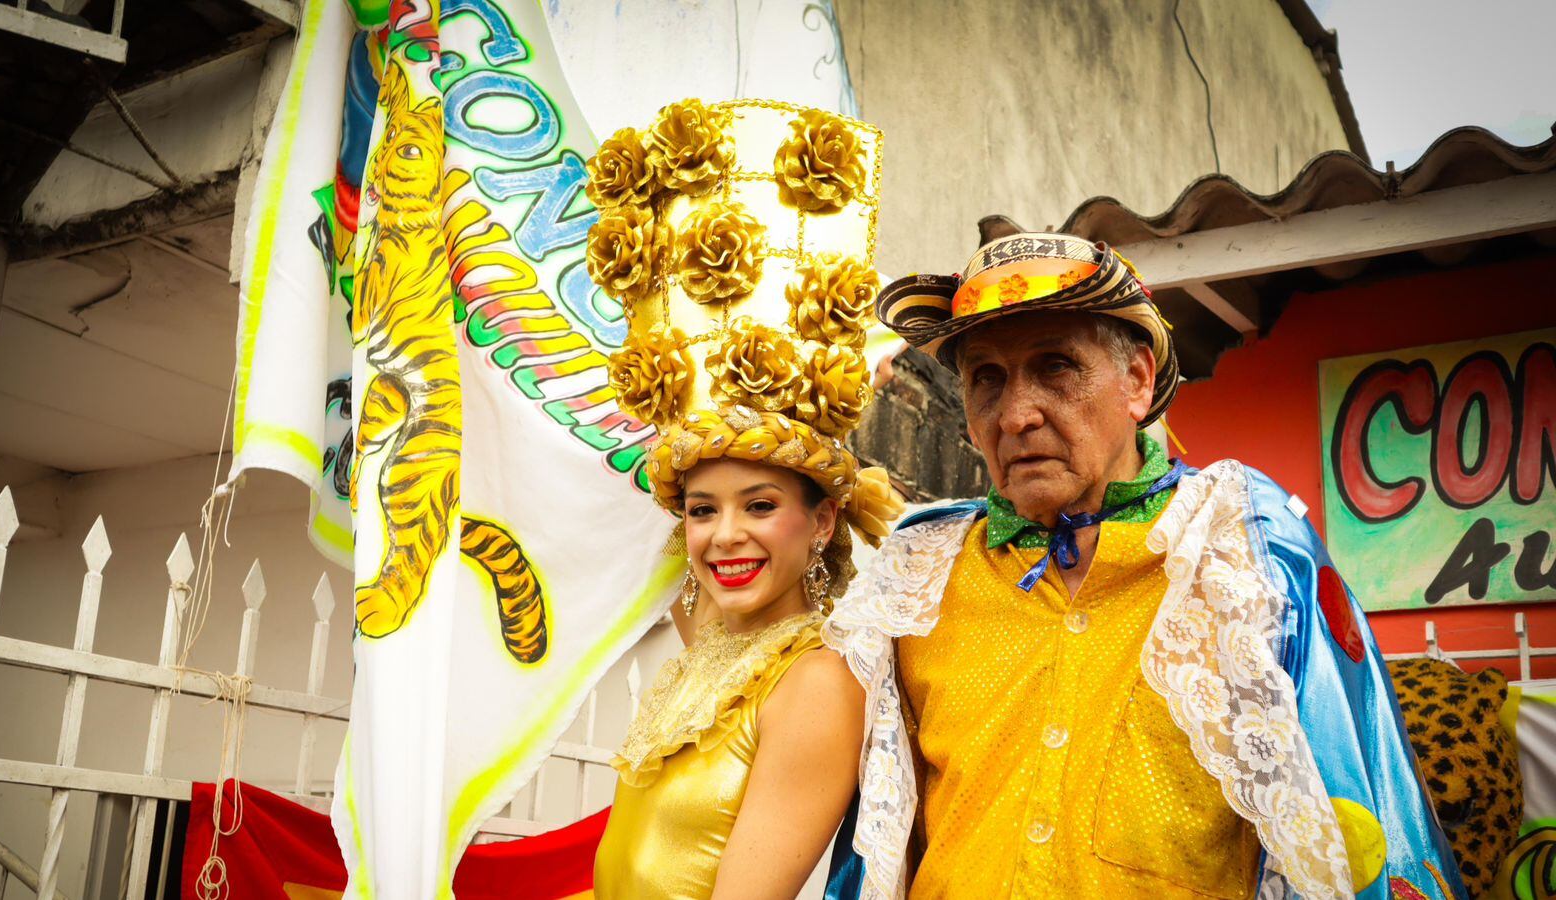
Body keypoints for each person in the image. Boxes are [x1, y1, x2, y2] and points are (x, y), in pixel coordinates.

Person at [822, 219, 1468, 900]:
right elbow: (875, 840)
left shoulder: (1239, 546)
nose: (1015, 415)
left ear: (1136, 379)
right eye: (988, 378)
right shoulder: (918, 574)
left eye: (1055, 367)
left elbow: (1349, 825)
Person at [582, 97, 904, 899]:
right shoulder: (716, 646)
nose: (725, 537)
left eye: (760, 505)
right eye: (701, 509)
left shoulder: (818, 681)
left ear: (823, 517)